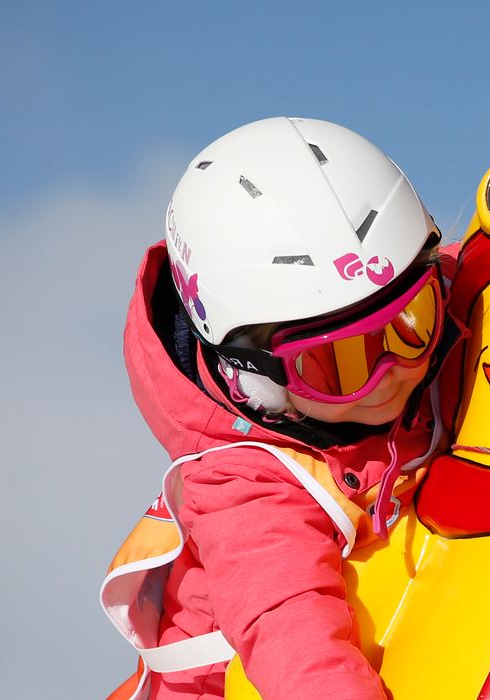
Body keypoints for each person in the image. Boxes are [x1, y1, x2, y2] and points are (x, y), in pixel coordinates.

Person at [99, 117, 448, 700]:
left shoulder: (409, 298)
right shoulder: (246, 487)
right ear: (255, 377)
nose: (391, 373)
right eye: (337, 363)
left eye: (413, 321)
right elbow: (295, 643)